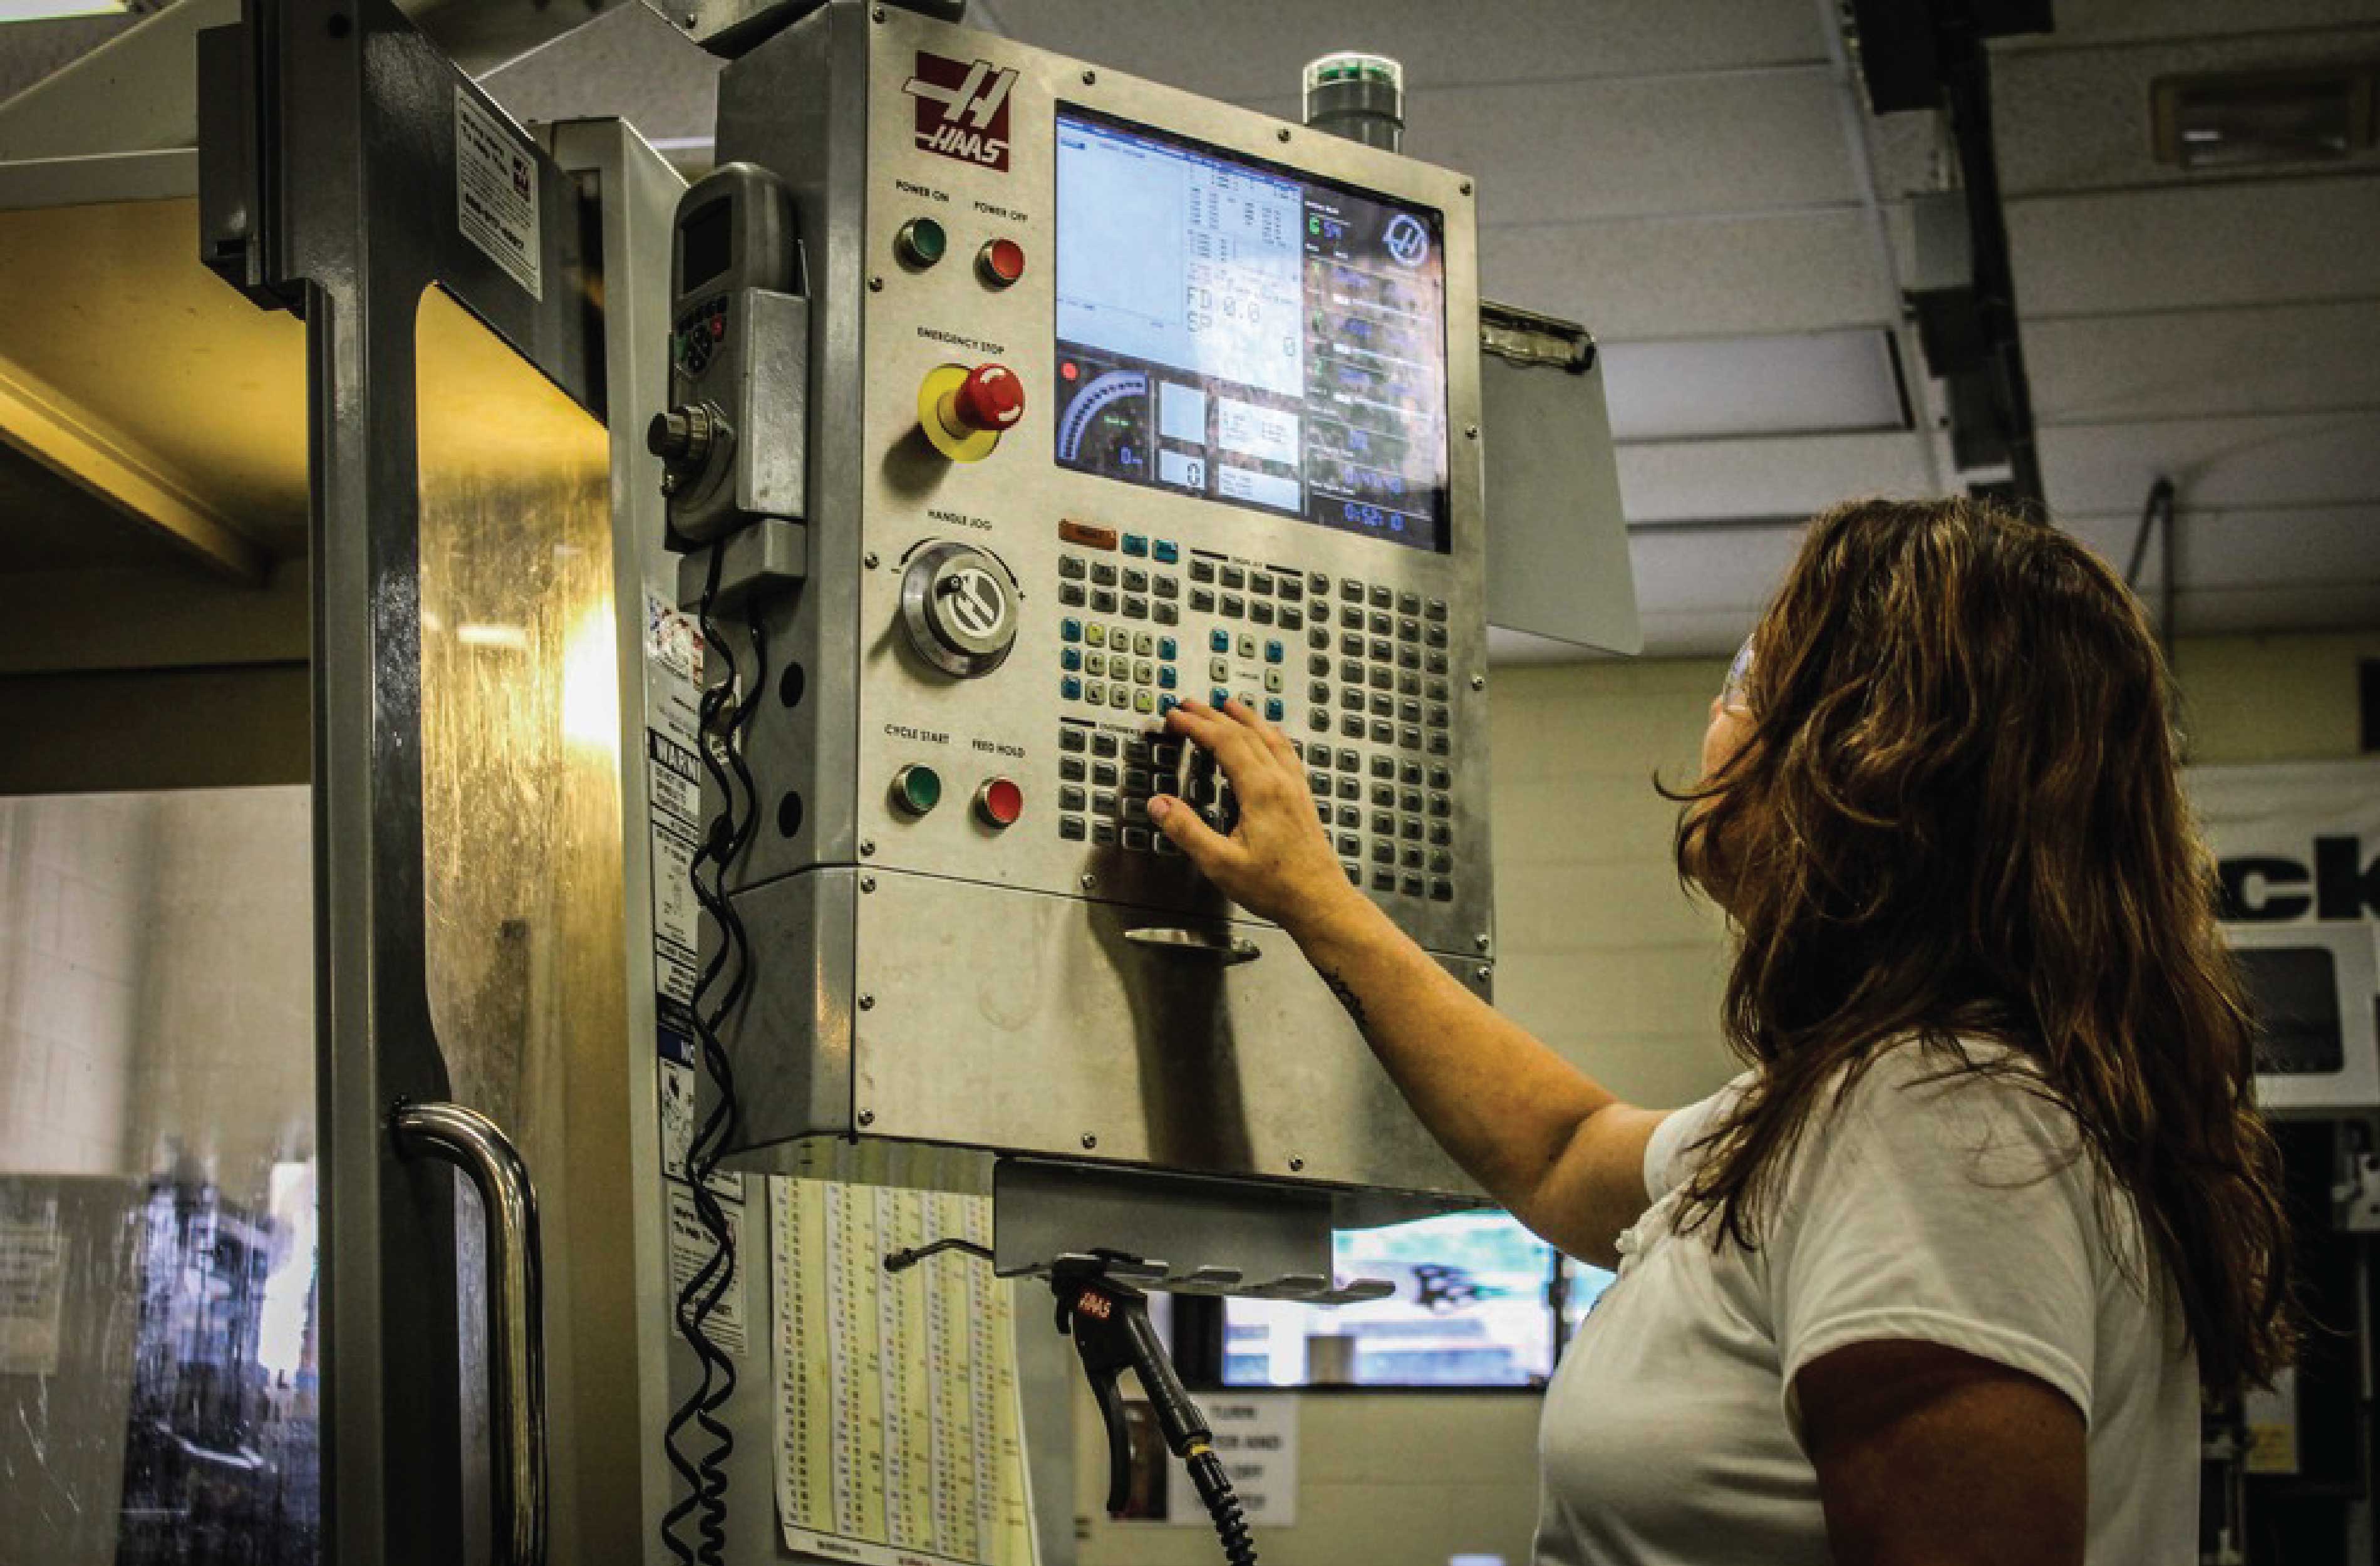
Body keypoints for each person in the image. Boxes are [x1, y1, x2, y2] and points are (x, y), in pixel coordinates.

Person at [1146, 497, 2291, 1565]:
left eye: (1752, 676)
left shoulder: (1939, 1120)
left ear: (1871, 756)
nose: (1716, 712)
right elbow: (1561, 1149)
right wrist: (1319, 901)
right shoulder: (1863, 1108)